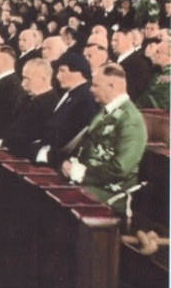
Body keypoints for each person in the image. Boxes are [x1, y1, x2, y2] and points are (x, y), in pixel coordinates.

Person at [61, 63, 147, 213]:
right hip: (90, 183)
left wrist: (83, 173)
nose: (91, 89)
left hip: (111, 193)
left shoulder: (131, 119)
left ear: (112, 86)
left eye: (95, 85)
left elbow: (120, 168)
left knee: (60, 203)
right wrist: (71, 165)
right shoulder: (106, 111)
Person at [32, 52, 99, 165]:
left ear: (78, 72)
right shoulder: (72, 94)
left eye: (62, 71)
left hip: (59, 160)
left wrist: (45, 153)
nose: (57, 76)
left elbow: (72, 138)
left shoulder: (86, 98)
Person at [0, 58, 59, 158]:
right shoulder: (26, 99)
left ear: (43, 79)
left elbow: (29, 138)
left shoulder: (52, 105)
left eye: (27, 79)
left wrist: (4, 142)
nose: (23, 84)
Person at [110, 29, 151, 101]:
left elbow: (135, 91)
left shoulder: (140, 64)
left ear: (129, 40)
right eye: (112, 40)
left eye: (116, 40)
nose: (112, 43)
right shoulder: (115, 61)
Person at [137, 40, 170, 110]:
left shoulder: (168, 77)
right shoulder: (158, 73)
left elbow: (156, 101)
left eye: (158, 52)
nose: (154, 54)